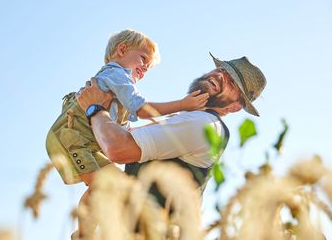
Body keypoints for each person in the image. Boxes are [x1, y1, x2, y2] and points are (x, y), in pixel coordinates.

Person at [45, 29, 209, 237]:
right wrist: (183, 105)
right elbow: (140, 109)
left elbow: (122, 128)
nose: (144, 69)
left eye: (148, 68)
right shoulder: (117, 74)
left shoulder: (117, 85)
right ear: (121, 50)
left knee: (108, 183)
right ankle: (84, 235)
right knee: (103, 183)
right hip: (72, 138)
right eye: (143, 59)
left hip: (84, 140)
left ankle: (84, 233)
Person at [76, 52, 267, 206]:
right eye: (222, 70)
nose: (220, 76)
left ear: (233, 107)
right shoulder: (193, 121)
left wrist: (94, 108)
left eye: (232, 82)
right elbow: (126, 136)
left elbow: (117, 148)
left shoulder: (201, 124)